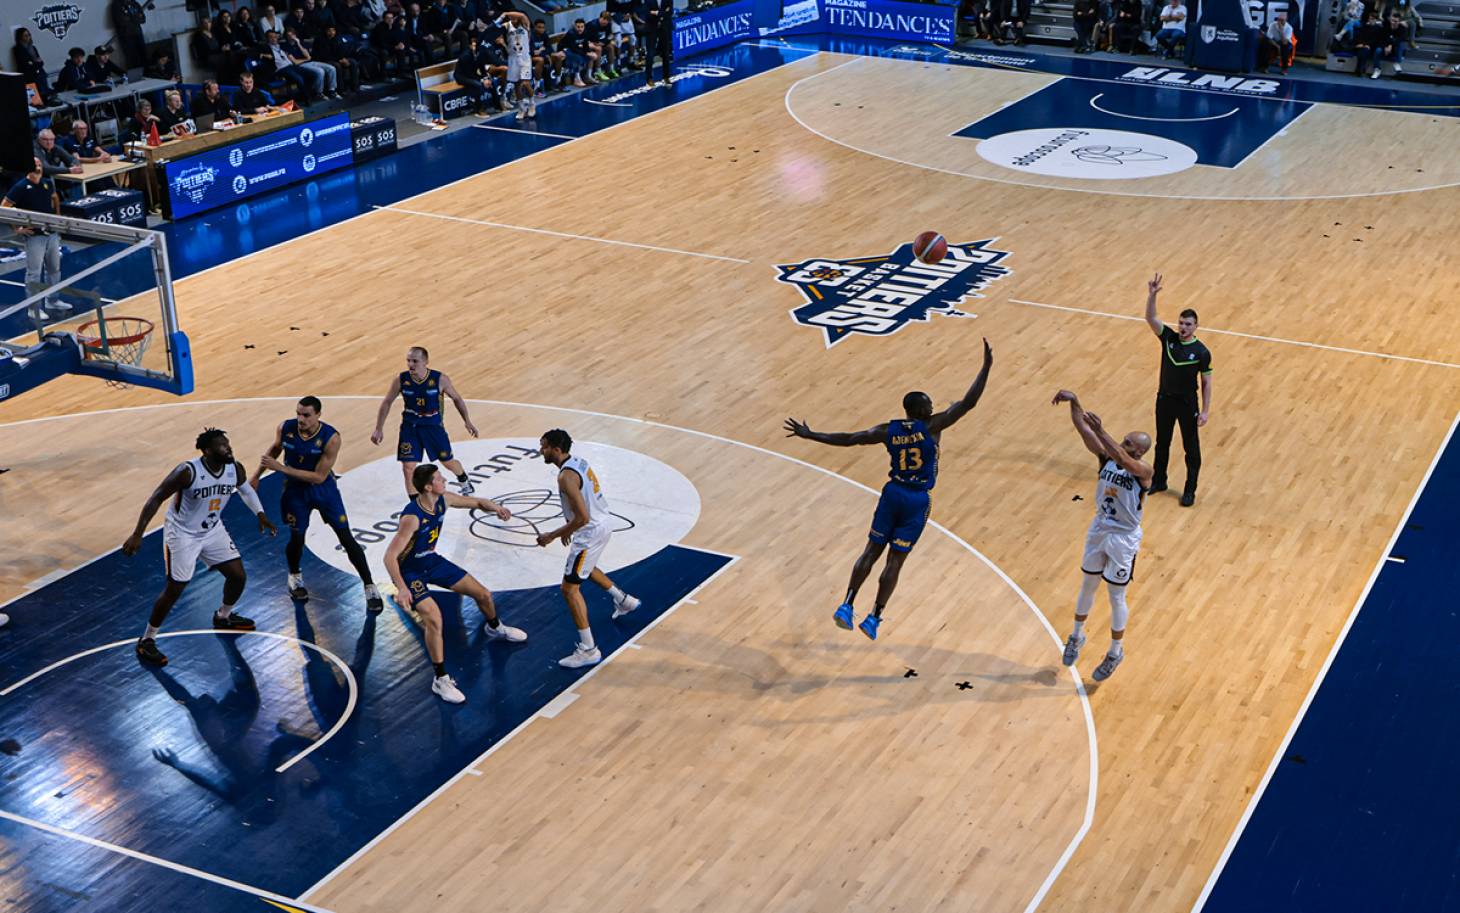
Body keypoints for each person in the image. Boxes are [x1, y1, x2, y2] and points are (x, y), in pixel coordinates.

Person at [783, 338, 994, 640]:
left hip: (892, 493)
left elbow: (850, 438)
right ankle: (874, 618)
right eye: (929, 405)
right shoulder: (933, 427)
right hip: (916, 500)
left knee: (871, 551)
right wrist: (985, 368)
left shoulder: (887, 431)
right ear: (922, 410)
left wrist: (811, 434)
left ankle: (847, 604)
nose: (933, 406)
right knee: (895, 560)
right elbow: (968, 403)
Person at [122, 429, 277, 667]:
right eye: (222, 446)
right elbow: (156, 498)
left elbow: (245, 490)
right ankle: (147, 639)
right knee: (175, 588)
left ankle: (223, 616)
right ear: (206, 451)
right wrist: (137, 534)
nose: (228, 449)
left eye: (228, 444)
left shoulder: (234, 468)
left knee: (238, 576)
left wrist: (260, 514)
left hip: (212, 530)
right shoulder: (187, 472)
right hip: (182, 534)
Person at [383, 464, 528, 703]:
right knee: (434, 617)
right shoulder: (412, 517)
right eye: (440, 478)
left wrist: (497, 508)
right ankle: (440, 679)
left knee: (483, 594)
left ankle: (494, 627)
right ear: (429, 486)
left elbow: (477, 502)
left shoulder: (443, 500)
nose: (445, 480)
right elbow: (390, 556)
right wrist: (401, 587)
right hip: (410, 572)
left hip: (431, 561)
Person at [1051, 389, 1151, 682]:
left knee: (1116, 595)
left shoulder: (1143, 470)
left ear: (1140, 451)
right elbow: (1083, 429)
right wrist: (1075, 402)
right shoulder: (1106, 457)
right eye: (1124, 439)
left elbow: (1122, 457)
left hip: (1124, 538)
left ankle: (1115, 652)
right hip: (1100, 529)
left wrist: (1102, 430)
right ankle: (1076, 636)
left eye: (1129, 443)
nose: (1123, 443)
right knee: (1088, 584)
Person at [256, 396, 385, 611]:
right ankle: (295, 575)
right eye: (298, 413)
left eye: (306, 415)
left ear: (318, 415)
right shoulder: (285, 427)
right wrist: (255, 476)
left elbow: (318, 477)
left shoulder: (331, 438)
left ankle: (369, 585)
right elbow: (275, 449)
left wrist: (282, 469)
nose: (300, 418)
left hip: (323, 490)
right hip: (295, 492)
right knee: (297, 537)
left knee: (345, 536)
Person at [535, 429, 643, 668]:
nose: (540, 450)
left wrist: (553, 535)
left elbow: (582, 517)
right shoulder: (579, 462)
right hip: (602, 523)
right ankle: (624, 601)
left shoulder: (565, 477)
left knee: (569, 590)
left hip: (590, 531)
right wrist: (568, 527)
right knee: (587, 567)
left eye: (543, 447)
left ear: (555, 448)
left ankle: (588, 649)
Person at [370, 347, 482, 496]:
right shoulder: (401, 379)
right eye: (408, 360)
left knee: (447, 461)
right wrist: (379, 428)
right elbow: (387, 402)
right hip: (410, 427)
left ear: (426, 362)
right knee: (408, 467)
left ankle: (463, 478)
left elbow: (457, 398)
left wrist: (467, 421)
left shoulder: (439, 379)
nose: (411, 364)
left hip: (433, 427)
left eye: (415, 361)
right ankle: (414, 502)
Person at [1142, 273, 1211, 506]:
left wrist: (1205, 411)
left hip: (1187, 403)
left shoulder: (1201, 352)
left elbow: (1206, 382)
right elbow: (1150, 317)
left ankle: (1190, 490)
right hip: (1164, 400)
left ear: (1196, 326)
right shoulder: (1168, 339)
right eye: (1181, 323)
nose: (1182, 327)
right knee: (1163, 442)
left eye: (1187, 324)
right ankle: (1159, 480)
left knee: (1191, 448)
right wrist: (1151, 296)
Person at [1, 159, 68, 323]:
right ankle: (33, 308)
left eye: (39, 164)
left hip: (51, 233)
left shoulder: (47, 183)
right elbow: (4, 207)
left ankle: (52, 300)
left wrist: (57, 218)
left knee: (54, 268)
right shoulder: (21, 187)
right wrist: (17, 229)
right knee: (34, 272)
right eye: (34, 165)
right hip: (34, 236)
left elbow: (54, 197)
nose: (38, 167)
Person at [498, 11, 535, 120]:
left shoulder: (524, 24)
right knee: (517, 85)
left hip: (524, 58)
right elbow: (497, 31)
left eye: (515, 16)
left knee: (525, 83)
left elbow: (523, 15)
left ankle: (532, 104)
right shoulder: (507, 26)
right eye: (511, 17)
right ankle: (522, 108)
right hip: (513, 58)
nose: (513, 18)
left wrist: (506, 13)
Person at [111, 0, 154, 69]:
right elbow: (121, 22)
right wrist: (135, 17)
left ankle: (146, 72)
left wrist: (131, 18)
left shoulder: (134, 3)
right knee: (132, 57)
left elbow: (143, 19)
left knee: (143, 54)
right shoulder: (116, 5)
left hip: (138, 33)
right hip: (126, 35)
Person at [13, 29, 51, 104]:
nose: (28, 37)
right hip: (28, 78)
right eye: (25, 36)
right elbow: (25, 64)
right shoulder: (18, 49)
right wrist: (35, 63)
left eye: (29, 35)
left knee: (45, 97)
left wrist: (33, 63)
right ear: (20, 37)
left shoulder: (33, 48)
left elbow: (41, 62)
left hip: (39, 75)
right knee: (35, 101)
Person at [641, 0, 672, 86]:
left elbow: (670, 12)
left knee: (666, 53)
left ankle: (666, 77)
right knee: (650, 54)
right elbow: (647, 14)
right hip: (652, 28)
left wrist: (657, 13)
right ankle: (649, 78)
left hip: (664, 28)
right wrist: (662, 13)